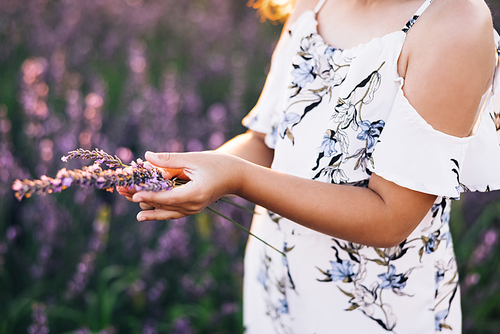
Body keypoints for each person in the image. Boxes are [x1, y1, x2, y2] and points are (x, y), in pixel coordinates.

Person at [118, 0, 500, 332]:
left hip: (377, 311)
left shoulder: (454, 24)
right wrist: (188, 173)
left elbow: (391, 217)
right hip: (282, 285)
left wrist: (234, 177)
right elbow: (268, 142)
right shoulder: (316, 2)